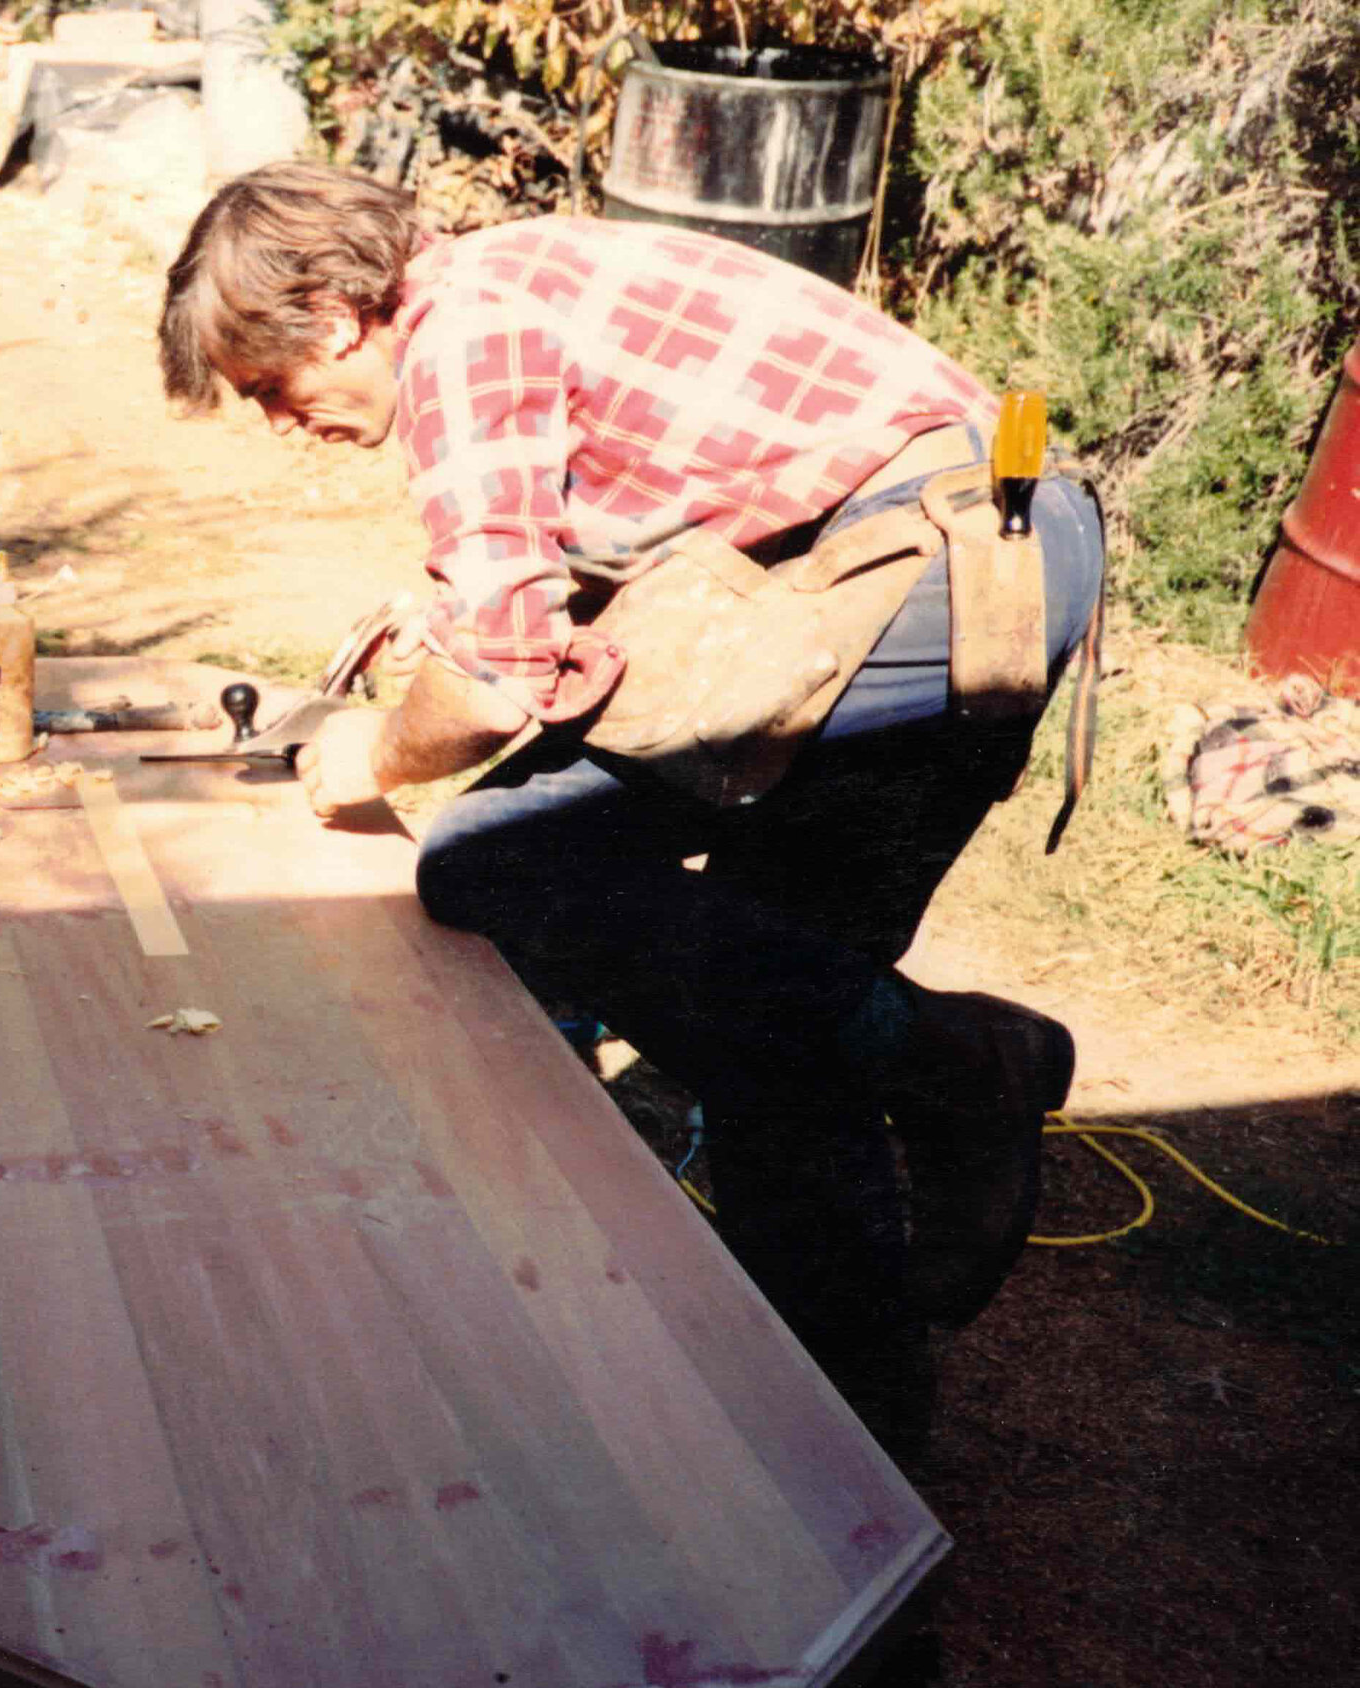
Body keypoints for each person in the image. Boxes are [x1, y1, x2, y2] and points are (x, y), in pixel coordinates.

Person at [158, 161, 1105, 1455]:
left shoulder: (466, 326)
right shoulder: (506, 278)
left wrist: (375, 750)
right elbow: (658, 522)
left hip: (937, 573)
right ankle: (845, 1435)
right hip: (956, 550)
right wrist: (457, 617)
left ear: (331, 316)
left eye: (273, 387)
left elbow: (495, 688)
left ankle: (956, 1067)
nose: (283, 418)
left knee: (490, 861)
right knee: (771, 1019)